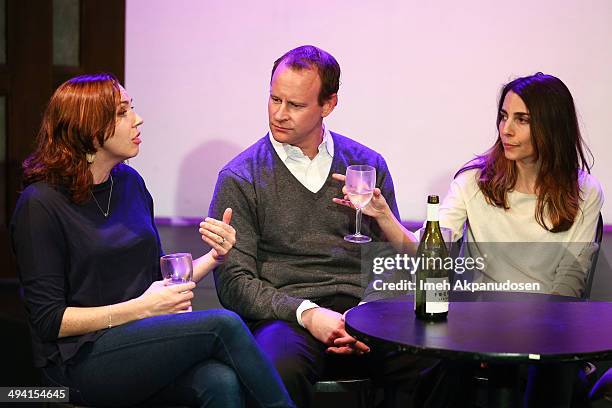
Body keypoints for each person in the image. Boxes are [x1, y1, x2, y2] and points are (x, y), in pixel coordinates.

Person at [10, 74, 294, 408]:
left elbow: (157, 285)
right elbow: (49, 321)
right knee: (222, 324)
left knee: (220, 382)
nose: (137, 119)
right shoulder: (40, 204)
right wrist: (140, 309)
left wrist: (213, 258)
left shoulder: (129, 183)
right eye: (122, 112)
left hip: (140, 342)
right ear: (88, 127)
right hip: (78, 361)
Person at [335, 72, 604, 406]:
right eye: (504, 117)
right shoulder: (475, 181)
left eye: (521, 120)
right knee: (442, 364)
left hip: (549, 329)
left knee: (550, 370)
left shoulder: (585, 191)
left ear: (552, 127)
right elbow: (428, 252)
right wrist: (383, 215)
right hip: (482, 325)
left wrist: (531, 334)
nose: (506, 129)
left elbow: (570, 282)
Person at [208, 45, 435, 408]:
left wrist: (366, 316)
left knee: (431, 359)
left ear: (328, 105)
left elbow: (388, 261)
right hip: (285, 314)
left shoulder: (366, 164)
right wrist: (308, 313)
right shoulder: (241, 176)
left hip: (361, 307)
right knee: (276, 364)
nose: (279, 114)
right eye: (274, 99)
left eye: (295, 105)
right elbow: (234, 283)